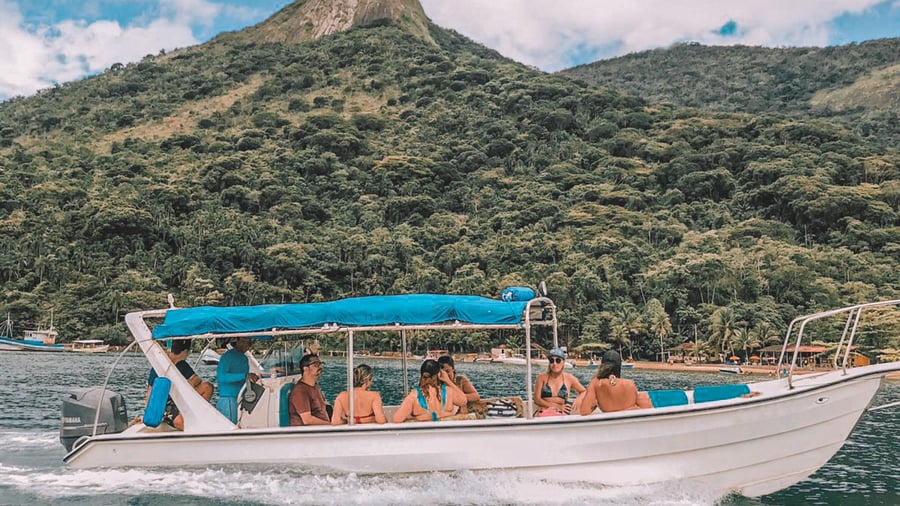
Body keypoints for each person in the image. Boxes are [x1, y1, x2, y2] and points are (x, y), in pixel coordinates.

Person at [145, 339, 213, 430]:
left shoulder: (182, 365)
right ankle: (178, 419)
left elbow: (197, 379)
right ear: (185, 351)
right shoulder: (159, 366)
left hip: (182, 397)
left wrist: (184, 388)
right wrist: (148, 411)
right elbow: (150, 391)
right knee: (180, 423)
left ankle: (199, 416)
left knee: (207, 387)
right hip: (167, 402)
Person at [392, 359, 467, 422]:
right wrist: (448, 381)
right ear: (439, 374)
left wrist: (419, 418)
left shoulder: (414, 396)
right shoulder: (448, 392)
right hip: (445, 433)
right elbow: (463, 401)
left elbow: (397, 419)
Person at [580, 350, 650, 414]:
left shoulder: (596, 383)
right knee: (643, 396)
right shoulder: (630, 384)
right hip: (631, 420)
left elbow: (584, 411)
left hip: (611, 420)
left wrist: (595, 404)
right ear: (619, 366)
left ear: (602, 364)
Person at [216, 336, 259, 423]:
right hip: (228, 400)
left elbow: (245, 378)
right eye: (247, 342)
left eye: (250, 342)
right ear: (238, 341)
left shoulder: (244, 358)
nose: (249, 345)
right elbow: (221, 377)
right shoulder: (227, 357)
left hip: (240, 399)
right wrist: (244, 376)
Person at [533, 347, 585, 416]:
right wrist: (558, 407)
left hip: (561, 414)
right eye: (551, 361)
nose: (554, 364)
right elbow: (537, 399)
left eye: (558, 360)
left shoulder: (569, 378)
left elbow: (584, 391)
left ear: (563, 362)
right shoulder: (542, 378)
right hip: (544, 412)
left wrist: (578, 399)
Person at [289, 353, 331, 425]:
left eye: (321, 364)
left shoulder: (315, 386)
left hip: (323, 428)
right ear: (305, 369)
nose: (320, 367)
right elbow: (307, 420)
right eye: (316, 364)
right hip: (310, 431)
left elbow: (323, 406)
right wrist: (331, 425)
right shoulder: (300, 391)